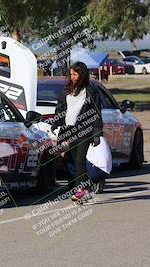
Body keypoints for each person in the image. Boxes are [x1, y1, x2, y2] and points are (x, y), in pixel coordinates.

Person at [51, 62, 103, 202]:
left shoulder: (91, 91)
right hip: (70, 130)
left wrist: (97, 134)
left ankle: (82, 191)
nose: (72, 77)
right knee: (74, 161)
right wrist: (56, 122)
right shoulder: (67, 90)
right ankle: (85, 188)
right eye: (71, 74)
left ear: (82, 75)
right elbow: (61, 109)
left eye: (75, 74)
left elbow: (97, 113)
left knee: (80, 161)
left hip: (85, 130)